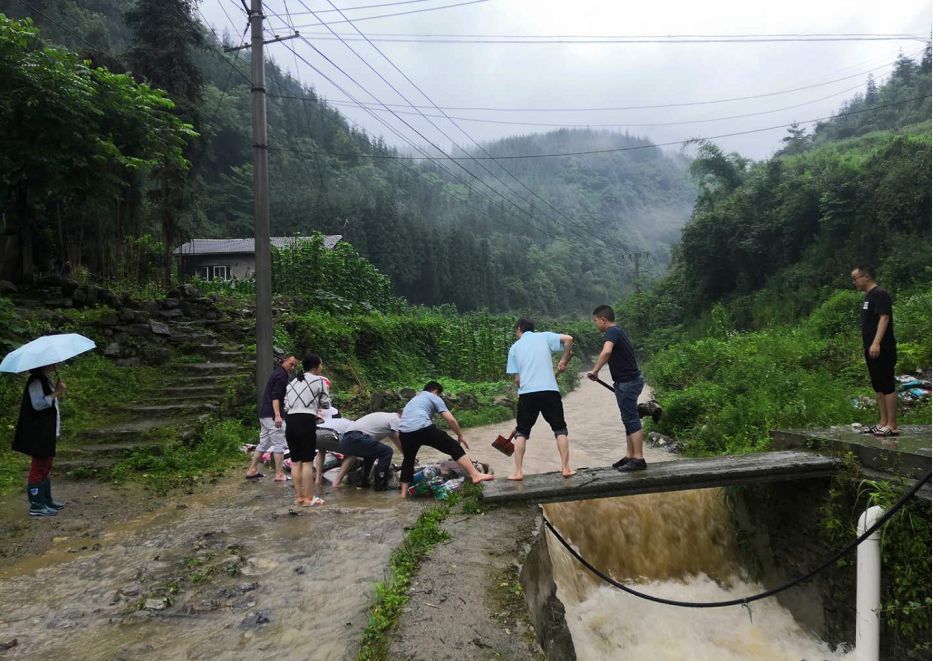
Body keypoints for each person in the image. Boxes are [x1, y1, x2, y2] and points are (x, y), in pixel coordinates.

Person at [505, 318, 576, 480]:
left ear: (518, 329)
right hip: (550, 391)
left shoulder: (514, 348)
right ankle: (565, 468)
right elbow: (569, 339)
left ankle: (517, 472)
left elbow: (517, 380)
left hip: (527, 394)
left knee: (521, 432)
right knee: (560, 429)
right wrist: (564, 360)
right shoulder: (544, 337)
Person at [398, 381, 494, 497]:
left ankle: (403, 495)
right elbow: (451, 420)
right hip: (423, 427)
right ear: (436, 391)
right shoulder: (434, 397)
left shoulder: (414, 399)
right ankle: (475, 475)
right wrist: (460, 436)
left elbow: (409, 417)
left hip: (404, 431)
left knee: (408, 461)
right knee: (453, 446)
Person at [588, 305, 647, 471]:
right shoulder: (618, 330)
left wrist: (595, 371)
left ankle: (639, 459)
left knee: (631, 418)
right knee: (627, 417)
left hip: (628, 382)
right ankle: (630, 455)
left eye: (595, 321)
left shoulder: (611, 332)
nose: (595, 324)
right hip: (626, 382)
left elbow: (606, 352)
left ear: (603, 320)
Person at [12, 364, 66, 517]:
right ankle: (36, 505)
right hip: (38, 432)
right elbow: (38, 404)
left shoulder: (44, 379)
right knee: (39, 466)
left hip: (46, 431)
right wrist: (56, 392)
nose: (54, 365)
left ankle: (46, 500)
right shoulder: (35, 381)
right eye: (52, 363)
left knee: (46, 465)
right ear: (43, 364)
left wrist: (55, 391)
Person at [852, 264, 899, 437]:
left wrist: (876, 342)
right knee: (878, 385)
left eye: (855, 278)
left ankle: (892, 425)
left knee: (887, 385)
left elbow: (884, 318)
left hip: (882, 348)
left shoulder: (880, 294)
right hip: (870, 348)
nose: (854, 282)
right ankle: (882, 422)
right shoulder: (868, 297)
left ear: (866, 276)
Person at [284, 353, 332, 506]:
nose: (322, 367)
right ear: (316, 366)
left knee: (295, 461)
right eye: (321, 364)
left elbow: (286, 405)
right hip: (306, 421)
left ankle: (299, 497)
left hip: (290, 421)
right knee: (307, 462)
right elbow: (326, 404)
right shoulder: (319, 381)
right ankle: (309, 498)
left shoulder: (291, 382)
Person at [245, 354, 298, 481]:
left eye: (295, 365)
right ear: (284, 361)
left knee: (264, 443)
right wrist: (278, 416)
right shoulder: (281, 376)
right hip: (273, 416)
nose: (293, 367)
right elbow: (275, 397)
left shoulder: (277, 373)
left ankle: (252, 470)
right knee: (279, 444)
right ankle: (279, 474)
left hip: (265, 414)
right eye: (291, 364)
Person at [338, 411, 403, 491]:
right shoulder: (395, 419)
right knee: (387, 451)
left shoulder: (385, 417)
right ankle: (380, 485)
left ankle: (363, 483)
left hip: (346, 440)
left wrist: (407, 456)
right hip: (357, 437)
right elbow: (400, 439)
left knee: (371, 454)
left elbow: (397, 442)